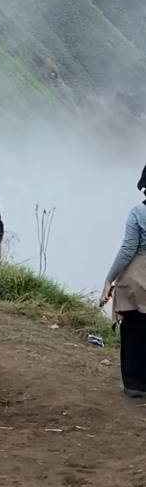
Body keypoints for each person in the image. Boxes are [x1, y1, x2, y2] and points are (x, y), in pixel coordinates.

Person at [100, 167, 146, 397]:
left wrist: (109, 279)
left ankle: (133, 382)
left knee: (133, 329)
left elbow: (128, 249)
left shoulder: (139, 212)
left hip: (138, 278)